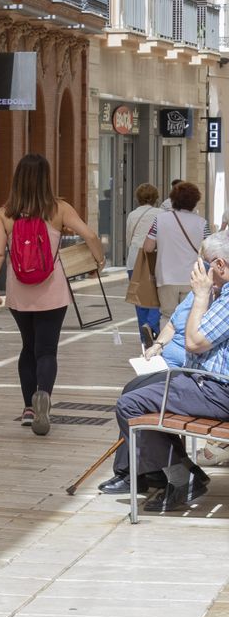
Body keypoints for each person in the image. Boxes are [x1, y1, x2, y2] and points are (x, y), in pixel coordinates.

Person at [98, 230, 229, 512]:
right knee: (137, 391)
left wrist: (202, 296)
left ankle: (181, 476)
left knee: (130, 405)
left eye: (205, 265)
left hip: (217, 389)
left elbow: (194, 342)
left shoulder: (225, 297)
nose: (200, 272)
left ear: (219, 265)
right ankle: (157, 472)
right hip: (205, 383)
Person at [0, 153, 103, 435]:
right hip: (53, 289)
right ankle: (44, 396)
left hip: (19, 291)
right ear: (46, 178)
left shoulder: (4, 213)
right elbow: (90, 235)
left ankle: (27, 408)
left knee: (28, 347)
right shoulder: (59, 208)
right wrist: (98, 261)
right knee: (46, 350)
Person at [142, 181, 210, 319]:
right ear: (195, 201)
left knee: (168, 316)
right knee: (190, 316)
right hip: (192, 277)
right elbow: (209, 252)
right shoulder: (202, 223)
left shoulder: (160, 220)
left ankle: (165, 341)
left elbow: (147, 247)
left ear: (173, 199)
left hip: (166, 277)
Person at [124, 183, 163, 336]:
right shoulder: (161, 213)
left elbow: (128, 239)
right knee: (156, 295)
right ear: (155, 198)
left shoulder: (132, 215)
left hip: (135, 258)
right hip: (155, 257)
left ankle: (144, 336)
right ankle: (152, 324)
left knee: (139, 299)